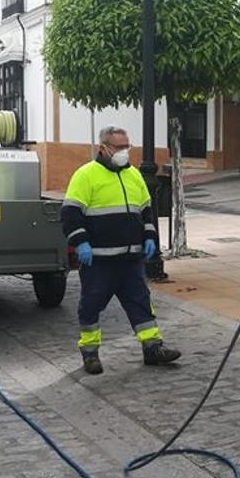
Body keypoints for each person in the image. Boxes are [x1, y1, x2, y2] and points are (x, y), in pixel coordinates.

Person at [62, 126, 182, 374]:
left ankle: (152, 347)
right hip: (99, 261)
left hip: (130, 260)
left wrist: (150, 236)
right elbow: (70, 213)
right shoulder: (85, 175)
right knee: (91, 306)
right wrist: (80, 241)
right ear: (102, 148)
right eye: (118, 147)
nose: (124, 151)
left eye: (127, 146)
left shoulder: (134, 175)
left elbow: (146, 210)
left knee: (141, 303)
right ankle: (90, 353)